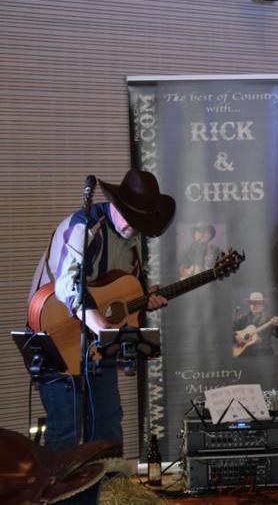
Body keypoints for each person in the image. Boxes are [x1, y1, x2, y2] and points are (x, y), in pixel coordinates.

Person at [28, 169, 175, 450]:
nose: (134, 226)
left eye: (141, 221)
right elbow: (69, 288)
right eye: (131, 218)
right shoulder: (83, 227)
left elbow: (122, 286)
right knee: (67, 429)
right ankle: (63, 481)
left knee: (107, 424)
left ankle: (107, 478)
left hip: (98, 343)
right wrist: (105, 329)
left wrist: (147, 296)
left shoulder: (132, 236)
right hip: (57, 331)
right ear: (116, 205)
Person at [232, 291, 278, 357]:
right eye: (253, 303)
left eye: (259, 303)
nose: (256, 305)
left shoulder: (270, 319)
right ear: (249, 304)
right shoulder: (242, 319)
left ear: (263, 305)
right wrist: (235, 337)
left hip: (265, 354)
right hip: (245, 354)